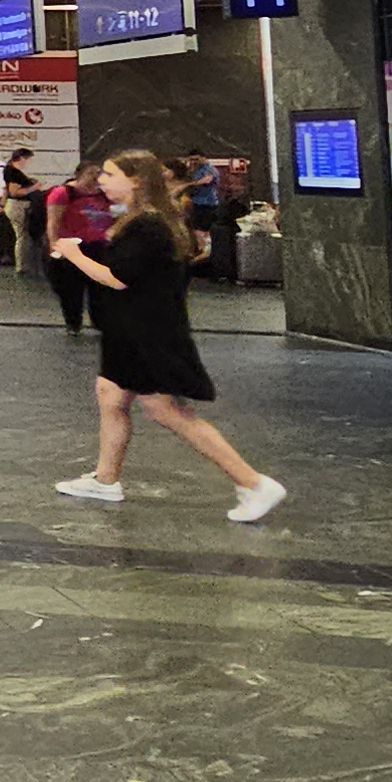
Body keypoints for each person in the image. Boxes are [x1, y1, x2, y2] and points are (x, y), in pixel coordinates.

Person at [49, 149, 286, 522]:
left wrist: (73, 254)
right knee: (111, 394)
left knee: (165, 409)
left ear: (136, 180)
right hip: (128, 330)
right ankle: (106, 479)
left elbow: (117, 277)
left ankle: (253, 483)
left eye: (109, 174)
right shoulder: (139, 220)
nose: (102, 181)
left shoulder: (148, 225)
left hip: (148, 333)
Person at [43, 160, 116, 336]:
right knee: (71, 288)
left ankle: (100, 322)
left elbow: (118, 215)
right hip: (73, 245)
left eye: (98, 174)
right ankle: (73, 323)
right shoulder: (63, 193)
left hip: (99, 245)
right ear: (80, 174)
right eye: (91, 173)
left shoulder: (105, 194)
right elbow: (53, 222)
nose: (95, 178)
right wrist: (54, 245)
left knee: (100, 287)